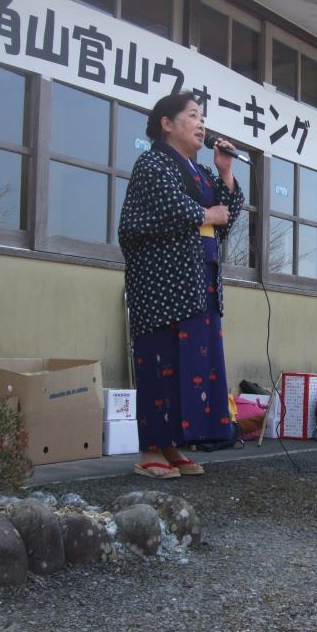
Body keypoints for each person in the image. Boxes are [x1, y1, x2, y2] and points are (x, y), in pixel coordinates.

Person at [118, 91, 244, 478]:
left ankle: (172, 445)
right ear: (167, 124)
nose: (201, 123)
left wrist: (224, 172)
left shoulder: (199, 170)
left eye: (202, 117)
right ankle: (151, 448)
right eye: (192, 115)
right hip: (162, 283)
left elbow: (228, 214)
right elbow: (169, 207)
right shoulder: (152, 163)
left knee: (192, 362)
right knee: (162, 360)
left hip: (197, 281)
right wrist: (207, 213)